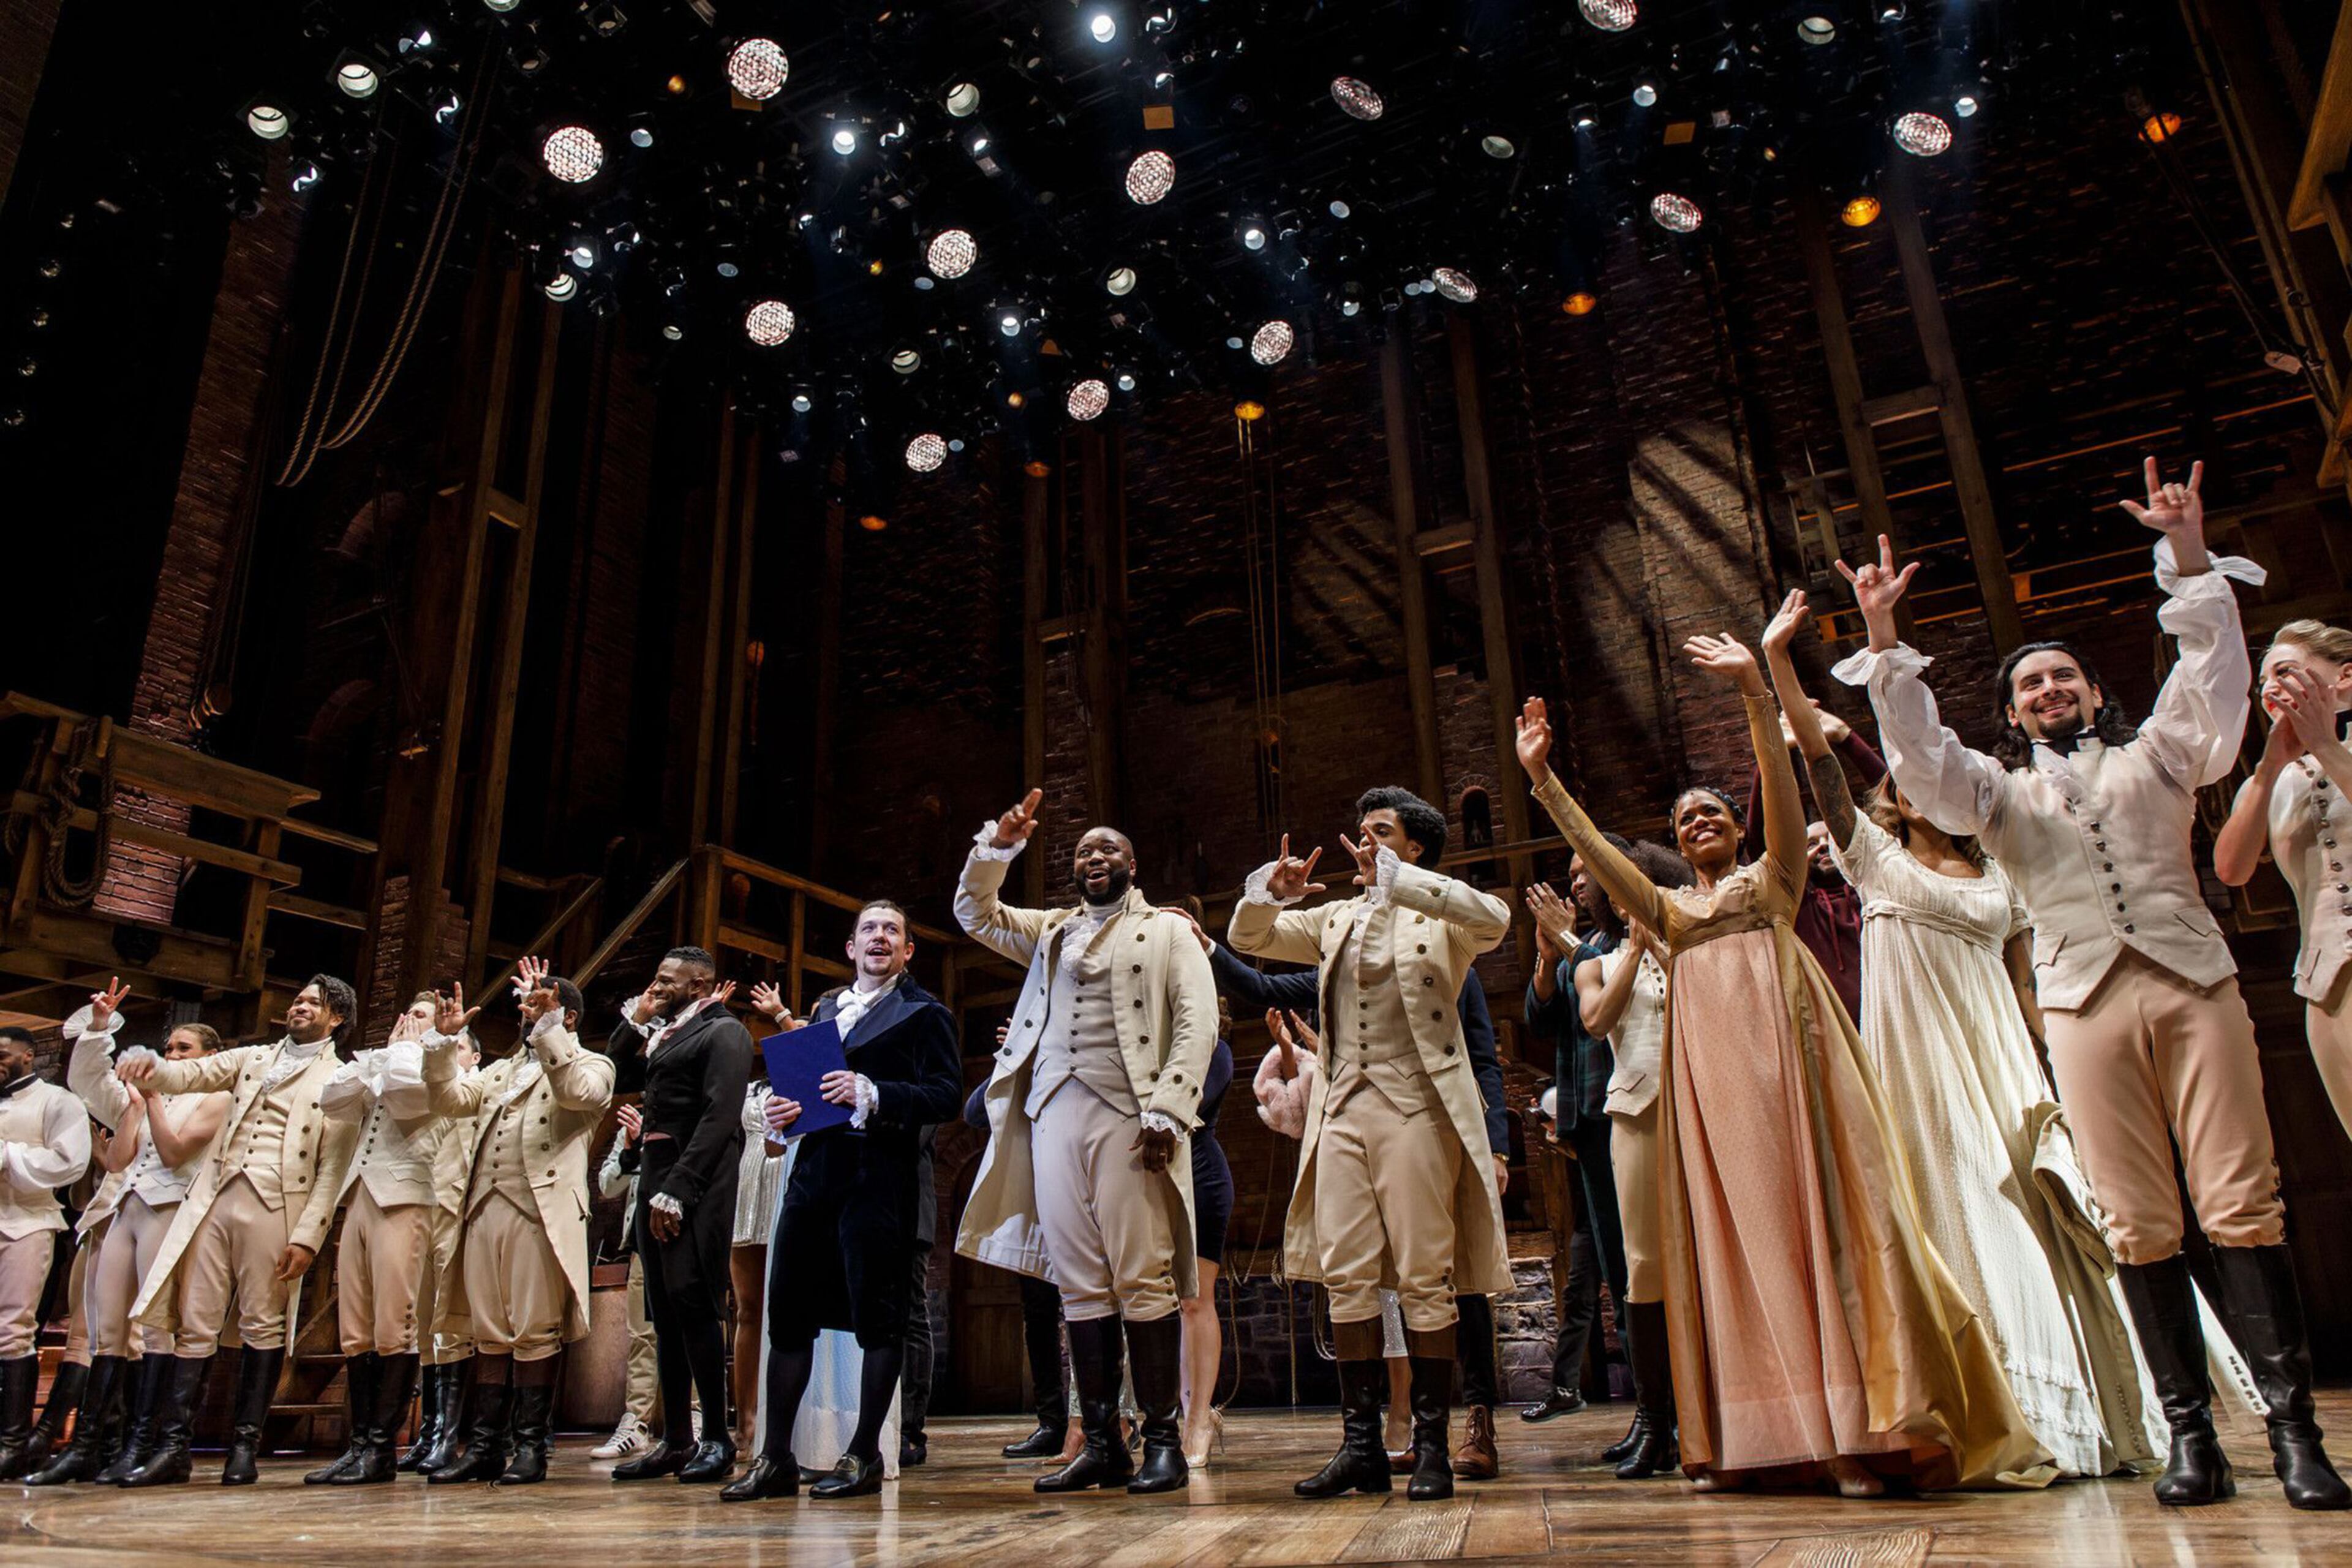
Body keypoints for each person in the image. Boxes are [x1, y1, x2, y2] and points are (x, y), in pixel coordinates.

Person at [1834, 459, 2348, 1512]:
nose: (2050, 691)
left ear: (2097, 689)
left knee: (2242, 1202)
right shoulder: (1994, 793)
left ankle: (2297, 1436)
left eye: (2064, 676)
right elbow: (1922, 762)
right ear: (2013, 713)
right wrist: (1885, 645)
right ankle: (2190, 1438)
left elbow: (2213, 685)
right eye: (2030, 686)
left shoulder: (2158, 755)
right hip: (2082, 1005)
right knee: (2136, 1219)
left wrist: (2190, 556)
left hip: (2192, 984)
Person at [1517, 644, 2048, 1496]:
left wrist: (1754, 693)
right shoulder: (1668, 911)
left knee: (1820, 1242)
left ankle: (1850, 1436)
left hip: (1793, 1079)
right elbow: (1599, 855)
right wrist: (1543, 781)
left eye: (1713, 813)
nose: (1699, 823)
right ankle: (1753, 1440)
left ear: (1738, 828)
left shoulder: (1776, 881)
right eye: (1685, 818)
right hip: (1712, 1099)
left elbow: (1780, 779)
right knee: (1737, 1252)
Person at [1767, 588, 2158, 1478]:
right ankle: (1991, 1408)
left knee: (2036, 1204)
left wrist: (2054, 1073)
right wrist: (1781, 666)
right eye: (1898, 783)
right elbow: (1822, 763)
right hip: (1924, 1058)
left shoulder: (2004, 871)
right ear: (1892, 802)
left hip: (2002, 1054)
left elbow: (2027, 981)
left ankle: (2083, 1404)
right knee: (1965, 1204)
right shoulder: (1873, 857)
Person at [1231, 787, 1512, 1502]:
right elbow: (1249, 940)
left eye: (1381, 832)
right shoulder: (1335, 918)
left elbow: (1496, 917)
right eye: (1361, 831)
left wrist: (1400, 879)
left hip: (1415, 1107)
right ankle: (1359, 1446)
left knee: (1423, 1275)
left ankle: (1433, 1448)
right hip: (1343, 1110)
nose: (1364, 841)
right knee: (1348, 1274)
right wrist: (1272, 891)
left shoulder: (1441, 917)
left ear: (1414, 847)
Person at [954, 790, 1219, 1496]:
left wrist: (1167, 1111)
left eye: (1107, 849)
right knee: (1078, 1279)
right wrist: (998, 849)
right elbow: (974, 913)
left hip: (1131, 1115)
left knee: (1142, 1273)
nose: (1093, 858)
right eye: (1081, 852)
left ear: (1131, 865)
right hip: (1052, 1112)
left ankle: (1160, 1438)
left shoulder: (1167, 932)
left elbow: (1199, 1025)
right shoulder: (1050, 931)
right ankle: (1101, 1442)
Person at [723, 900, 960, 1501]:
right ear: (851, 948)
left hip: (879, 1177)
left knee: (878, 1323)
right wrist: (783, 1113)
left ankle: (864, 1454)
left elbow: (944, 1095)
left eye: (892, 930)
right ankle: (776, 1457)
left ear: (908, 951)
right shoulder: (827, 1009)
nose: (880, 937)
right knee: (790, 1315)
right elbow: (808, 1093)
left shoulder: (925, 1013)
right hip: (814, 1174)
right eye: (868, 930)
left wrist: (873, 1091)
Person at [115, 974, 360, 1487]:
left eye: (313, 1003)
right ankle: (174, 1446)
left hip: (278, 1203)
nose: (300, 1006)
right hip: (218, 1195)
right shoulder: (254, 1058)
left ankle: (244, 1446)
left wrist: (309, 1236)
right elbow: (191, 1075)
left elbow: (333, 1168)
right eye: (298, 998)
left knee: (262, 1323)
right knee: (195, 1319)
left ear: (335, 1018)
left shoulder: (341, 1078)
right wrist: (151, 1067)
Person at [420, 961, 614, 1486]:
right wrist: (443, 1044)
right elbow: (448, 1100)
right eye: (526, 1006)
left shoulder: (592, 1064)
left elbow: (579, 1094)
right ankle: (484, 1446)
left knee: (533, 1330)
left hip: (539, 1213)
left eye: (541, 1005)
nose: (528, 1014)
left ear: (566, 1016)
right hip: (483, 1207)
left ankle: (531, 1448)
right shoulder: (500, 1072)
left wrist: (551, 1031)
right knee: (487, 1333)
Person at [34, 987, 228, 1485]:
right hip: (125, 1208)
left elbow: (174, 1154)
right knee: (106, 1330)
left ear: (209, 1057)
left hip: (170, 1211)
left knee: (157, 1328)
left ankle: (141, 1444)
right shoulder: (143, 1097)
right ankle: (88, 1445)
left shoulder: (217, 1097)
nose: (172, 1056)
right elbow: (107, 1132)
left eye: (184, 1050)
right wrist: (101, 1031)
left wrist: (155, 1101)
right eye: (169, 1049)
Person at [1570, 842, 1697, 1480]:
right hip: (1638, 1111)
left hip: (1702, 1107)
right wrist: (1640, 947)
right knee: (1645, 1264)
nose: (1623, 895)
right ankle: (1655, 1420)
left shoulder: (1693, 944)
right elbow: (1597, 1021)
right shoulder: (1596, 961)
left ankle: (1713, 1412)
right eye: (1613, 888)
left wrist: (1667, 941)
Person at [607, 946, 753, 1483]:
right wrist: (639, 1017)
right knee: (664, 1313)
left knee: (697, 1306)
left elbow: (721, 1115)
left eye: (667, 980)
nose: (656, 986)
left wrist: (680, 1190)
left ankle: (716, 1437)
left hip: (698, 1180)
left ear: (699, 986)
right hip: (655, 1174)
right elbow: (616, 1066)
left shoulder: (724, 1032)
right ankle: (675, 1440)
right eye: (655, 976)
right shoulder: (664, 1033)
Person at [2214, 618, 2352, 1146]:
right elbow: (2232, 869)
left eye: (2286, 672)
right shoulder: (2272, 781)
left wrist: (2325, 743)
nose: (2271, 687)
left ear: (2343, 677)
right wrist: (2270, 768)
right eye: (2264, 682)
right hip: (2328, 983)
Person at [306, 995, 454, 1485]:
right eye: (407, 1012)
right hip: (362, 1195)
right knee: (356, 1329)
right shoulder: (394, 1058)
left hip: (406, 1196)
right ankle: (358, 1444)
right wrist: (386, 1055)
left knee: (395, 1325)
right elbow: (333, 1099)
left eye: (422, 1016)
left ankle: (381, 1449)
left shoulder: (436, 1064)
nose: (410, 1021)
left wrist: (401, 1054)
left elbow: (409, 1097)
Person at [1521, 862, 1629, 1431]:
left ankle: (1656, 1406)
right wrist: (1547, 951)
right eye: (1571, 874)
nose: (1577, 883)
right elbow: (1539, 1017)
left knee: (1629, 1267)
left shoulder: (1628, 938)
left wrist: (1564, 943)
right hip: (1587, 1124)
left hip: (1626, 1115)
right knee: (1586, 1269)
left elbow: (1602, 1020)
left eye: (1587, 871)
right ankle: (1566, 1384)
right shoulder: (1579, 946)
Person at [1743, 706, 1887, 1024]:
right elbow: (1758, 842)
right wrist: (1771, 754)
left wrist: (1845, 738)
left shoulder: (1876, 887)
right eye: (1811, 843)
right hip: (1832, 1043)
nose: (1822, 846)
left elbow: (1896, 803)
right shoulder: (1798, 906)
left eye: (1830, 838)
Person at [0, 1022, 94, 1480]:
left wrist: (8, 1155)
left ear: (26, 1056)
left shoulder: (59, 1102)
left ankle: (13, 1442)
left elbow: (69, 1164)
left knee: (13, 1329)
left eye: (2, 1054)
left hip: (27, 1222)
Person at [962, 1072, 1071, 1461]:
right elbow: (975, 1112)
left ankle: (1105, 1421)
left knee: (1094, 1311)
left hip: (1080, 1190)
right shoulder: (1020, 1062)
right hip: (1037, 1203)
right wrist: (1006, 1061)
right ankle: (1052, 1423)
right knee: (1038, 1315)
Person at [401, 1020, 481, 1474]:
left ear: (474, 1059)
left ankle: (450, 1436)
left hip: (455, 1210)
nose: (454, 1054)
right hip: (422, 1209)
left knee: (452, 1328)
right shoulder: (429, 1092)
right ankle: (429, 1430)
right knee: (426, 1326)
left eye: (461, 1047)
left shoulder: (472, 1091)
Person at [591, 1102, 661, 1462]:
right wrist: (631, 1148)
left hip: (684, 1236)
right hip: (640, 1241)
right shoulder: (633, 1125)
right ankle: (636, 1424)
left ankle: (697, 1418)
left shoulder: (698, 1109)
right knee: (641, 1336)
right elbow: (608, 1186)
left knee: (692, 1330)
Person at [728, 1058, 786, 1453]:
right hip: (747, 1190)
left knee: (786, 1311)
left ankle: (785, 1419)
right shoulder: (750, 1089)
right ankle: (745, 1418)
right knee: (747, 1311)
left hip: (787, 1183)